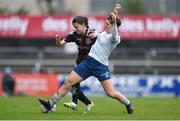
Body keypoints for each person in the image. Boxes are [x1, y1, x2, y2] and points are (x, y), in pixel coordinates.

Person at [39, 4, 134, 114]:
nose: (105, 25)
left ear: (114, 26)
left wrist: (115, 15)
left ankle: (128, 103)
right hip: (88, 62)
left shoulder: (115, 38)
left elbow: (114, 31)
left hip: (101, 66)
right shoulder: (103, 33)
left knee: (110, 93)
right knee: (68, 82)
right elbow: (108, 26)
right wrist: (114, 13)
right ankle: (50, 103)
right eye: (105, 23)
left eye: (108, 24)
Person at [55, 16, 98, 113]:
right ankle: (82, 103)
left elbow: (105, 37)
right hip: (80, 62)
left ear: (83, 25)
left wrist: (99, 34)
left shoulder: (93, 33)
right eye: (74, 27)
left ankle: (79, 103)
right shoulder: (74, 35)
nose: (75, 29)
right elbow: (61, 43)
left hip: (92, 63)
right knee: (72, 84)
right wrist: (58, 40)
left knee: (72, 84)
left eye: (77, 27)